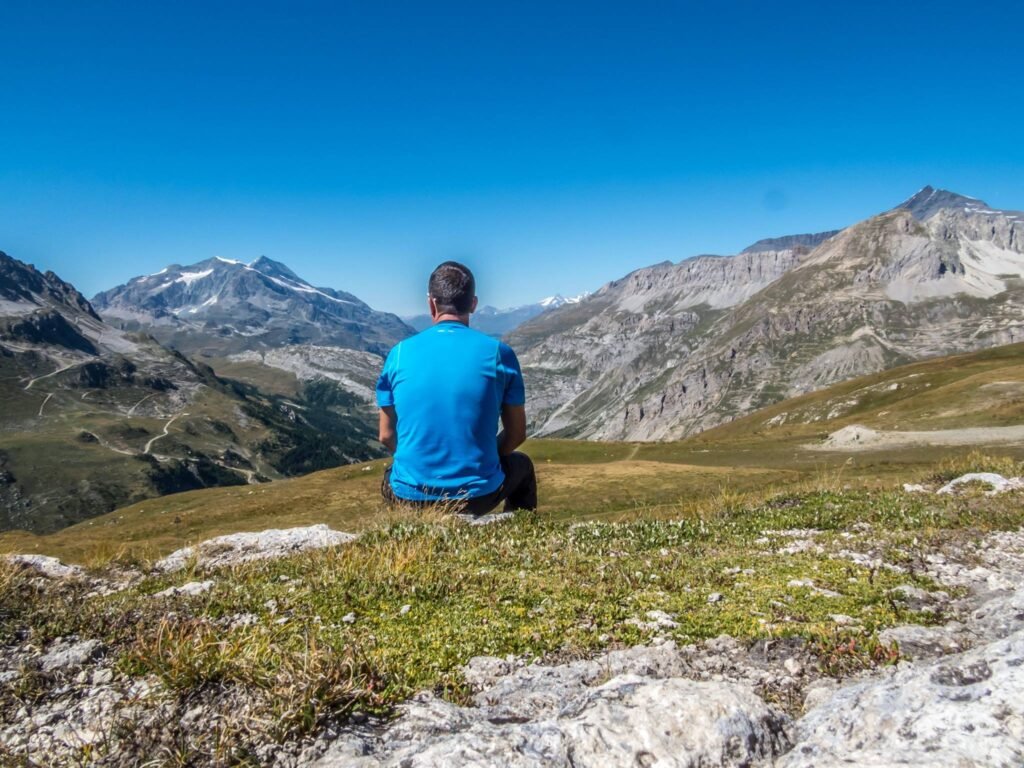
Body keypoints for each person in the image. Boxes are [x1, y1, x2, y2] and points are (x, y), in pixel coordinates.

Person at [375, 261, 538, 514]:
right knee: (522, 466)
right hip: (476, 497)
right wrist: (485, 457)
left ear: (431, 304)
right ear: (473, 304)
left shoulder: (398, 354)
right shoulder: (499, 354)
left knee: (392, 476)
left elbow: (385, 435)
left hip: (410, 496)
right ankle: (519, 533)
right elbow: (516, 434)